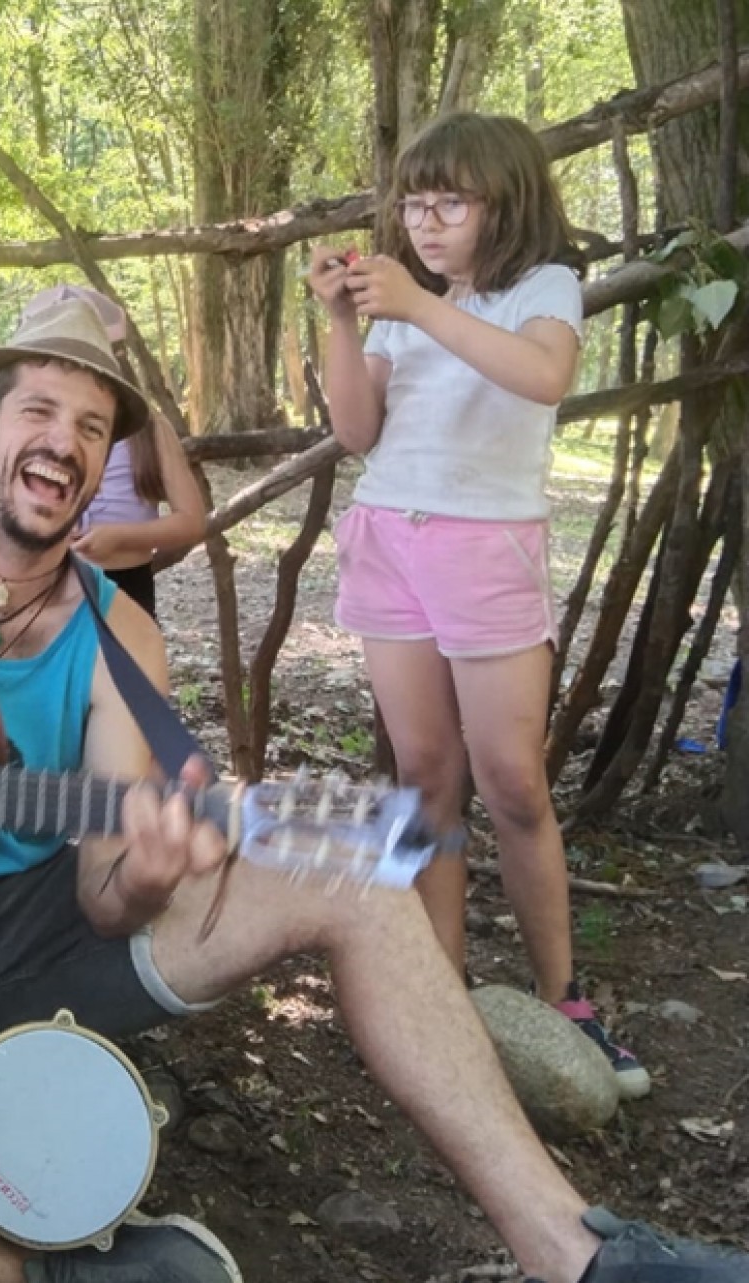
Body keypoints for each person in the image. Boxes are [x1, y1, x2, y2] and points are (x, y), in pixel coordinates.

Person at [0, 297, 745, 1283]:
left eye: (92, 430)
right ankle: (24, 1266)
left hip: (42, 933)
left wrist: (140, 867)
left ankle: (577, 1249)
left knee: (350, 864)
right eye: (40, 414)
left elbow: (106, 900)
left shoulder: (122, 642)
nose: (64, 444)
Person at [306, 112, 647, 1098]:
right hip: (389, 538)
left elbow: (541, 377)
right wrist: (342, 320)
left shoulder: (541, 289)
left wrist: (416, 305)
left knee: (510, 779)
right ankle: (441, 987)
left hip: (486, 546)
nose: (424, 219)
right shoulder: (406, 307)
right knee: (424, 774)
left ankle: (563, 996)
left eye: (447, 201)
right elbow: (357, 427)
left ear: (506, 202)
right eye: (412, 203)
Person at [28, 286, 205, 620]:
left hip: (126, 588)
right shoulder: (29, 427)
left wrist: (120, 537)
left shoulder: (149, 427)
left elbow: (191, 522)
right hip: (43, 587)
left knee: (120, 671)